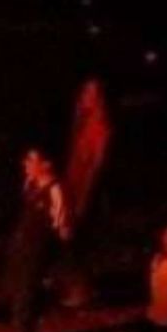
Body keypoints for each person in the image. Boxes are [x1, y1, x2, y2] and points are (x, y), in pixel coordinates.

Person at [0, 148, 73, 332]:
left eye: (32, 159)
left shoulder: (57, 190)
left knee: (26, 299)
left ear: (47, 164)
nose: (26, 163)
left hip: (37, 254)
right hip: (21, 250)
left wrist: (55, 262)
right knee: (16, 293)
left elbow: (63, 229)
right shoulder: (30, 185)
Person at [60, 77, 112, 308]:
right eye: (86, 93)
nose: (88, 98)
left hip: (86, 192)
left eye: (94, 94)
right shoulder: (81, 122)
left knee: (79, 241)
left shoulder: (101, 127)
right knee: (71, 240)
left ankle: (82, 291)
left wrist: (84, 199)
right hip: (73, 188)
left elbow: (96, 167)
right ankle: (77, 287)